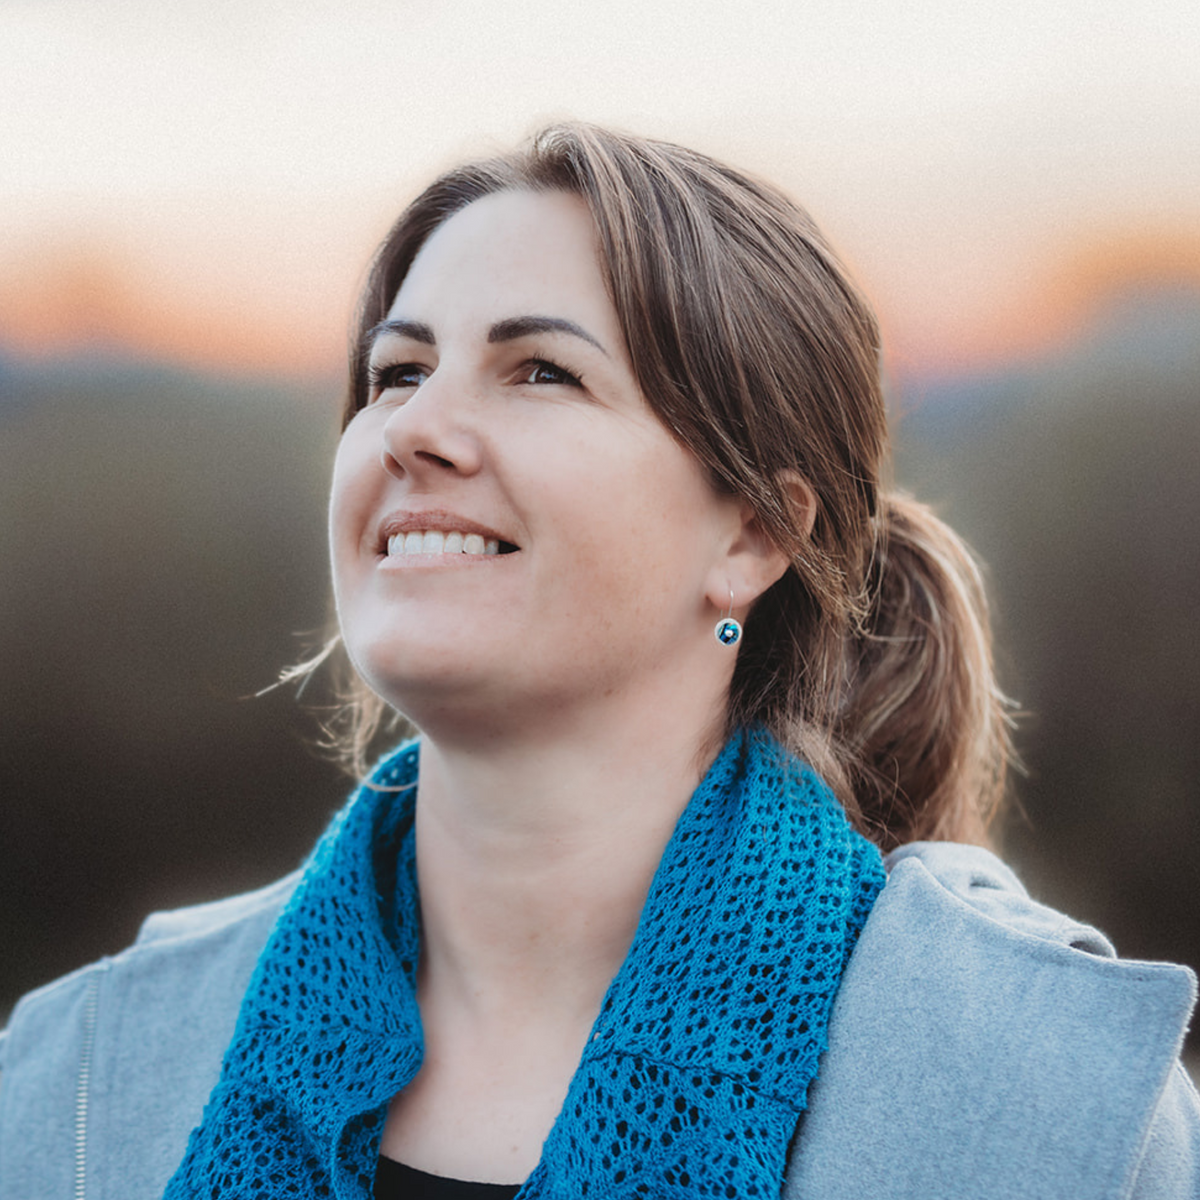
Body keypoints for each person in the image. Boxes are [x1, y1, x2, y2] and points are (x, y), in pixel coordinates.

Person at [1, 123, 1196, 1200]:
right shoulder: (79, 1087)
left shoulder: (1056, 1116)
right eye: (396, 373)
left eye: (540, 371)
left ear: (754, 534)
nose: (414, 428)